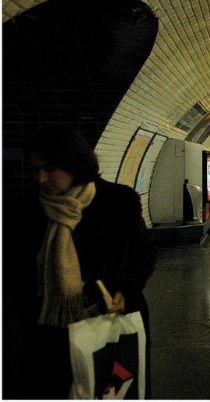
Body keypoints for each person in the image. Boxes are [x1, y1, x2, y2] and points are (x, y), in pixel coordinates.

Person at [16, 127, 157, 398]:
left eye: (50, 169)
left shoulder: (118, 202)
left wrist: (125, 291)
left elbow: (145, 255)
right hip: (49, 335)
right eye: (35, 171)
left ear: (75, 164)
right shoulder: (27, 213)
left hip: (108, 325)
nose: (42, 179)